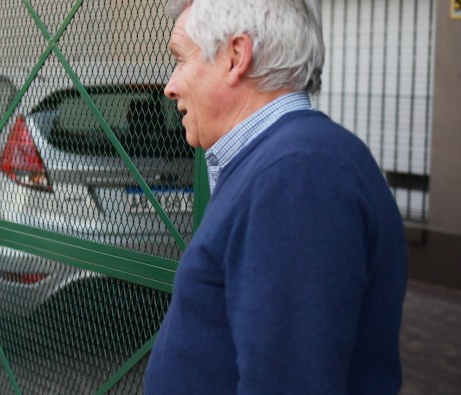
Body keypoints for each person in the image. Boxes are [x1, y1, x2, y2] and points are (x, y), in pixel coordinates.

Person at [144, 1, 408, 394]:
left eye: (181, 60)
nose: (170, 85)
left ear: (236, 56)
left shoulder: (298, 173)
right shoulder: (287, 161)